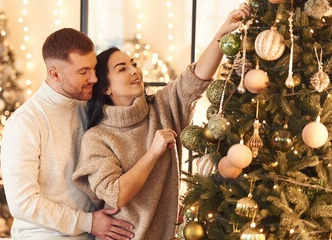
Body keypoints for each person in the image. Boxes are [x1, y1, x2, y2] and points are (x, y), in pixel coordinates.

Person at [72, 4, 251, 239]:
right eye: (122, 69)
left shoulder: (162, 107)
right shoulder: (97, 138)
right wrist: (153, 153)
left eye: (133, 64)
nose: (134, 71)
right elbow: (116, 194)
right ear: (105, 87)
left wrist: (223, 31)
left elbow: (197, 76)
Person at [1, 28, 134, 240]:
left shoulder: (88, 107)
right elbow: (22, 203)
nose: (93, 78)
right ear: (55, 74)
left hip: (93, 234)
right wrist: (88, 222)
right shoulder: (24, 123)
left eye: (94, 68)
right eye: (83, 72)